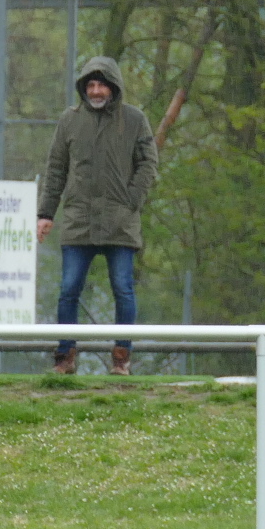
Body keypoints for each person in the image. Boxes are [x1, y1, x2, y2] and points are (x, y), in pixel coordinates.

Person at [36, 57, 159, 375]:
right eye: (90, 84)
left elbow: (148, 163)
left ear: (113, 87)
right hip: (78, 221)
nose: (95, 90)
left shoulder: (134, 119)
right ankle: (65, 357)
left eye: (102, 84)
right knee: (68, 290)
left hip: (120, 222)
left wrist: (131, 200)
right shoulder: (69, 120)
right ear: (83, 88)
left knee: (123, 289)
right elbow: (56, 168)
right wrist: (46, 213)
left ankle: (122, 358)